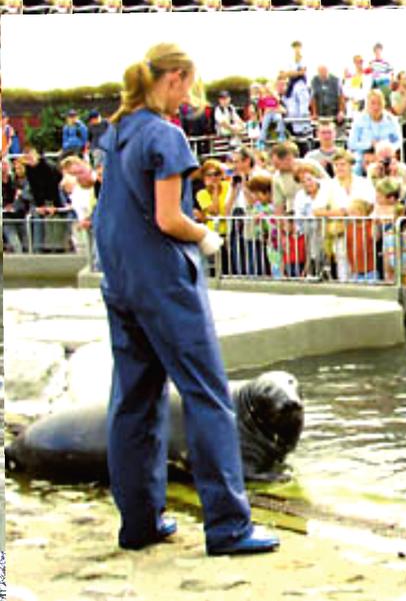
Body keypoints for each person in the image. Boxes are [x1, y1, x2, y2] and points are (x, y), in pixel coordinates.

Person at [91, 44, 278, 555]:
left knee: (133, 401)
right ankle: (228, 527)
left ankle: (140, 523)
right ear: (173, 78)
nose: (189, 99)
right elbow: (169, 217)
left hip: (121, 282)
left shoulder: (119, 130)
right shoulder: (163, 134)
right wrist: (204, 234)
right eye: (189, 87)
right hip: (165, 283)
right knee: (208, 398)